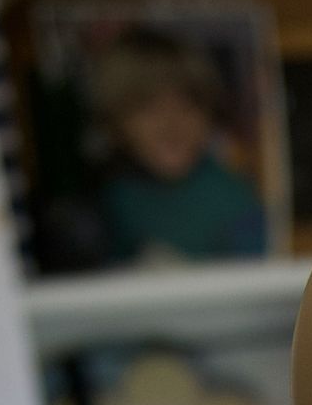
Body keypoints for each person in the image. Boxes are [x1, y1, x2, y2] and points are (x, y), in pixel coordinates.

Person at [88, 27, 268, 264]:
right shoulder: (107, 200)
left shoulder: (234, 202)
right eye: (149, 108)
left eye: (188, 107)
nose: (171, 126)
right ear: (116, 120)